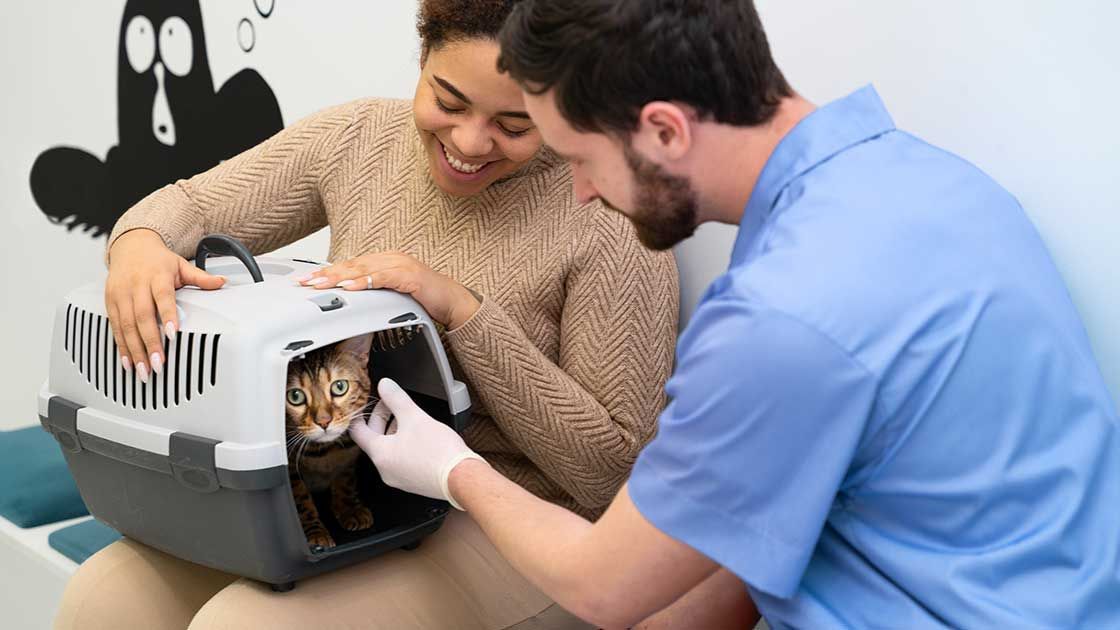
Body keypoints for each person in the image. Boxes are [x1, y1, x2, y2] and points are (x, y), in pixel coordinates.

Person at [350, 1, 1120, 628]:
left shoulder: (780, 316)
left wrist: (452, 468)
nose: (581, 193)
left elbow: (602, 589)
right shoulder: (941, 185)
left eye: (579, 159)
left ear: (663, 130)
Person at [54, 2, 686, 629]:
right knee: (103, 599)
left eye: (515, 125)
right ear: (422, 60)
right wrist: (137, 241)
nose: (469, 143)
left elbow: (615, 478)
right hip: (352, 481)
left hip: (516, 521)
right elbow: (190, 205)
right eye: (449, 100)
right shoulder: (362, 139)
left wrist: (458, 309)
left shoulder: (612, 218)